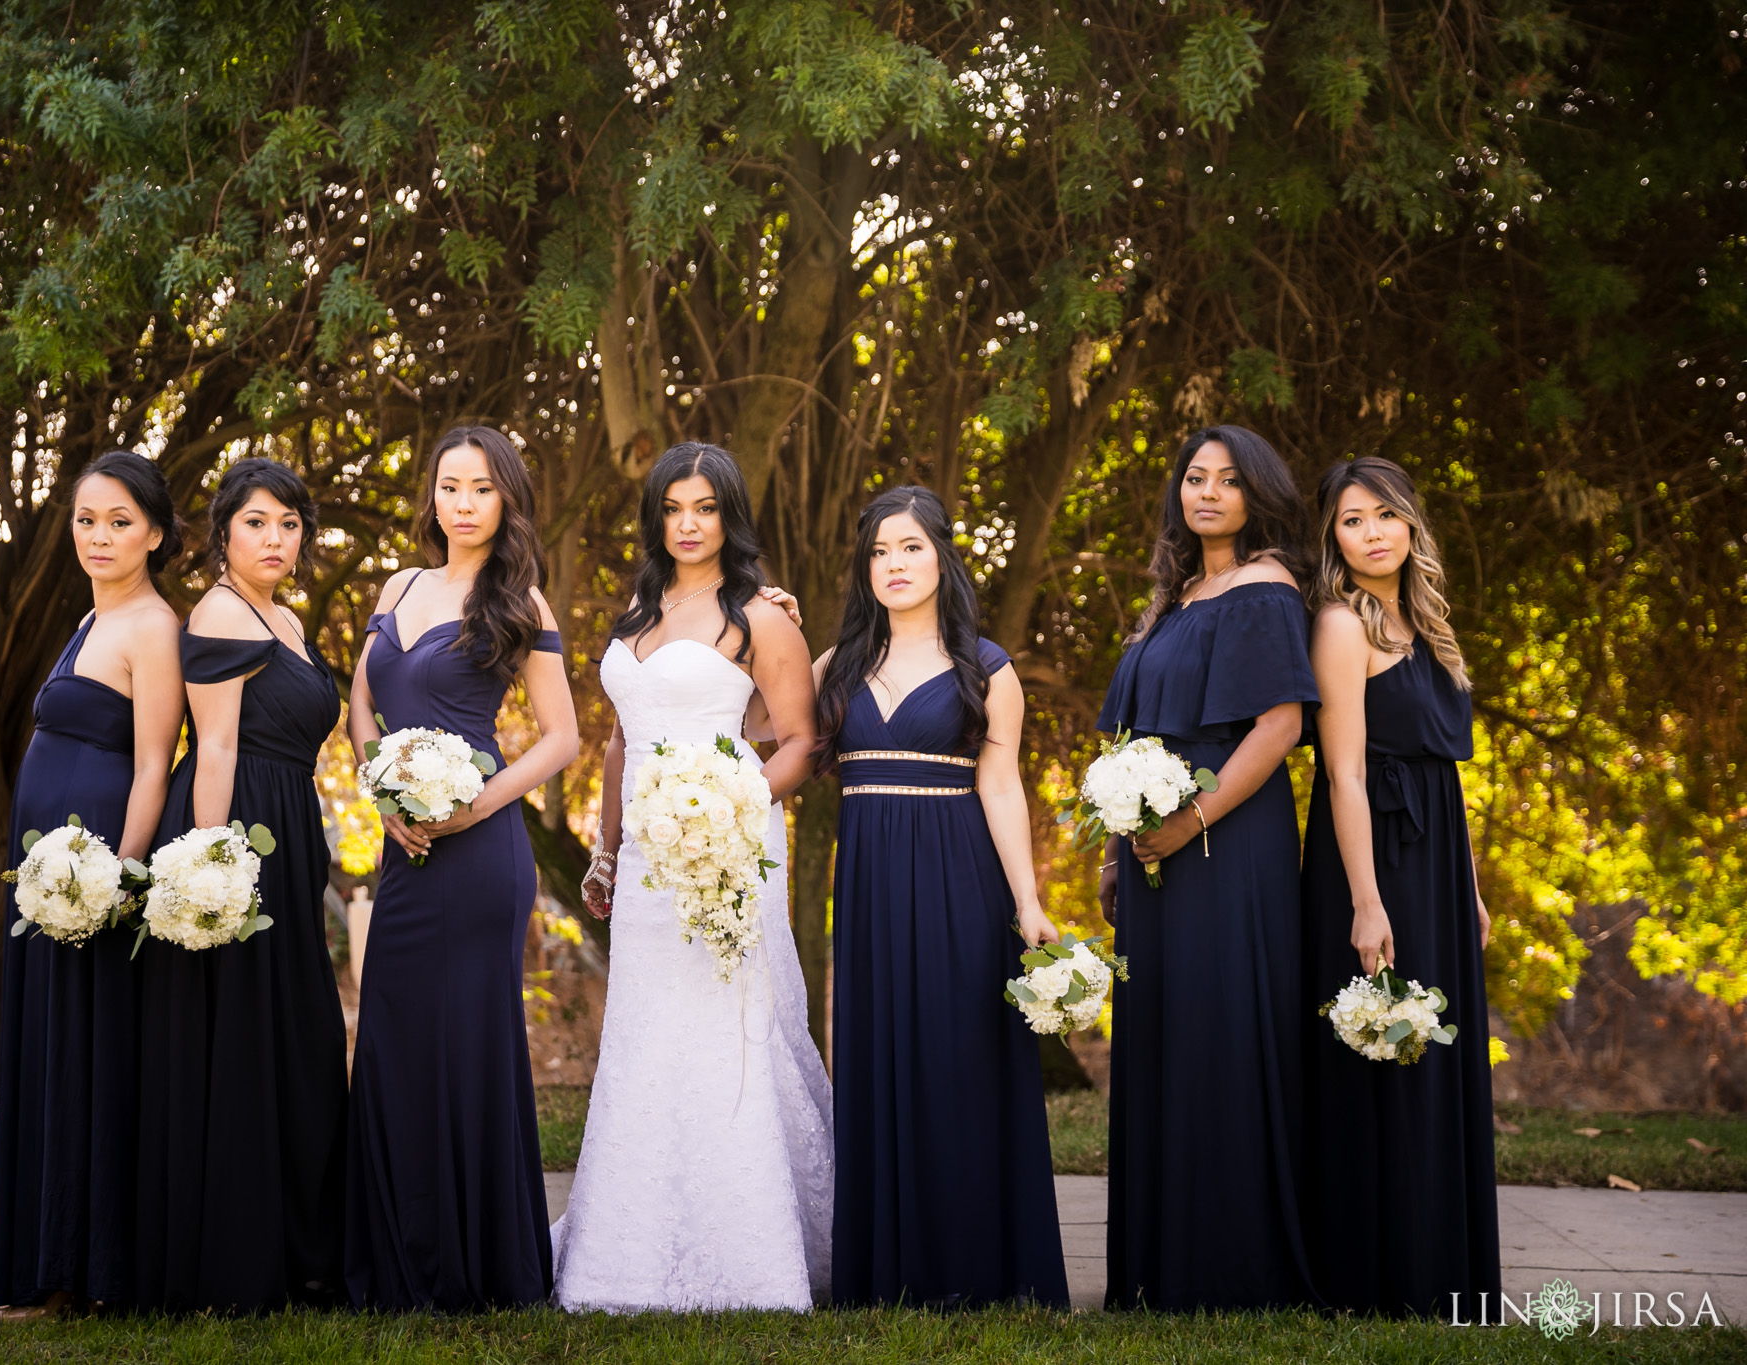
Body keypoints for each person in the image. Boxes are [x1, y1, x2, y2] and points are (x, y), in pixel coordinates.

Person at [554, 442, 834, 1312]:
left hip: (728, 853)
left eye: (705, 507)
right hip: (642, 868)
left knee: (726, 1037)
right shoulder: (640, 606)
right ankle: (621, 1249)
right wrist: (604, 850)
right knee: (646, 1039)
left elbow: (800, 741)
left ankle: (749, 1253)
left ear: (729, 515)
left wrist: (731, 806)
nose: (687, 522)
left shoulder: (761, 615)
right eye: (673, 506)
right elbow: (618, 738)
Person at [343, 426, 580, 1312]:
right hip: (404, 842)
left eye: (483, 489)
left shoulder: (524, 602)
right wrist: (384, 793)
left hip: (481, 852)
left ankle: (478, 1263)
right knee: (394, 1037)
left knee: (468, 1045)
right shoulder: (397, 585)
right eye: (451, 486)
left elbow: (563, 738)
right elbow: (361, 699)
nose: (465, 503)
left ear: (506, 499)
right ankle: (395, 1256)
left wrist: (473, 804)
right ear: (432, 496)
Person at [817, 486, 1071, 1309]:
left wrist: (1028, 901)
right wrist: (770, 620)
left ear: (942, 557)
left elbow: (1002, 787)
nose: (894, 564)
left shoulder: (985, 668)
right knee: (877, 1055)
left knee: (958, 1062)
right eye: (880, 552)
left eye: (911, 548)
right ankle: (884, 1267)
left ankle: (970, 1267)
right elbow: (757, 725)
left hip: (961, 877)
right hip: (865, 888)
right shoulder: (837, 665)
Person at [1096, 425, 1321, 1311]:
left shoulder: (1265, 592)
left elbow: (1279, 727)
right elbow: (1132, 738)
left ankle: (1233, 1270)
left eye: (1229, 480)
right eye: (1195, 477)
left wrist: (1191, 819)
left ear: (1257, 494)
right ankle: (1160, 1266)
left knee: (1225, 1034)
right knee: (1163, 1036)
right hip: (1155, 850)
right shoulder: (1177, 597)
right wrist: (1122, 850)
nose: (1209, 492)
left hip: (1230, 842)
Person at [134, 458, 348, 1313]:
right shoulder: (221, 610)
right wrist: (214, 863)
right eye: (257, 521)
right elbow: (214, 744)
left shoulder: (284, 616)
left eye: (290, 524)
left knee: (293, 1035)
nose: (275, 538)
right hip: (241, 825)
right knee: (245, 1037)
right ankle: (234, 1259)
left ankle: (299, 1246)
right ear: (223, 532)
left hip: (287, 825)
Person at [1302, 457, 1500, 1315]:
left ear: (1411, 524)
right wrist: (1366, 899)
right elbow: (1343, 773)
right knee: (1378, 1052)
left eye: (1385, 514)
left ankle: (1441, 1265)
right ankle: (1377, 1275)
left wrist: (1473, 889)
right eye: (1353, 519)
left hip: (1437, 856)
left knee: (1430, 1052)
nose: (1372, 531)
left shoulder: (1425, 627)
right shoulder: (1343, 625)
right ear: (1333, 537)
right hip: (1371, 855)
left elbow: (1442, 776)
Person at [0, 451, 183, 1319]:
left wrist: (117, 875)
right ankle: (50, 1259)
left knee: (87, 1053)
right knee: (51, 1050)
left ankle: (90, 1267)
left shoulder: (151, 625)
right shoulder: (88, 615)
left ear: (156, 533)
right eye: (86, 520)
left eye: (119, 521)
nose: (99, 536)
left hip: (92, 872)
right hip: (47, 876)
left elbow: (153, 765)